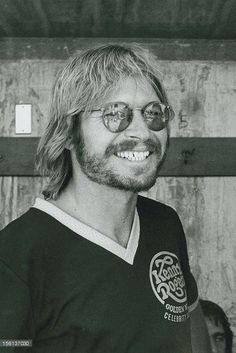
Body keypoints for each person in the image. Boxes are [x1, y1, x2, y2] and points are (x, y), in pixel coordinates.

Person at [0, 44, 211, 352]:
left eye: (153, 113)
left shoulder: (164, 223)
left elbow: (190, 322)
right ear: (69, 134)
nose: (142, 132)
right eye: (115, 113)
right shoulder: (16, 256)